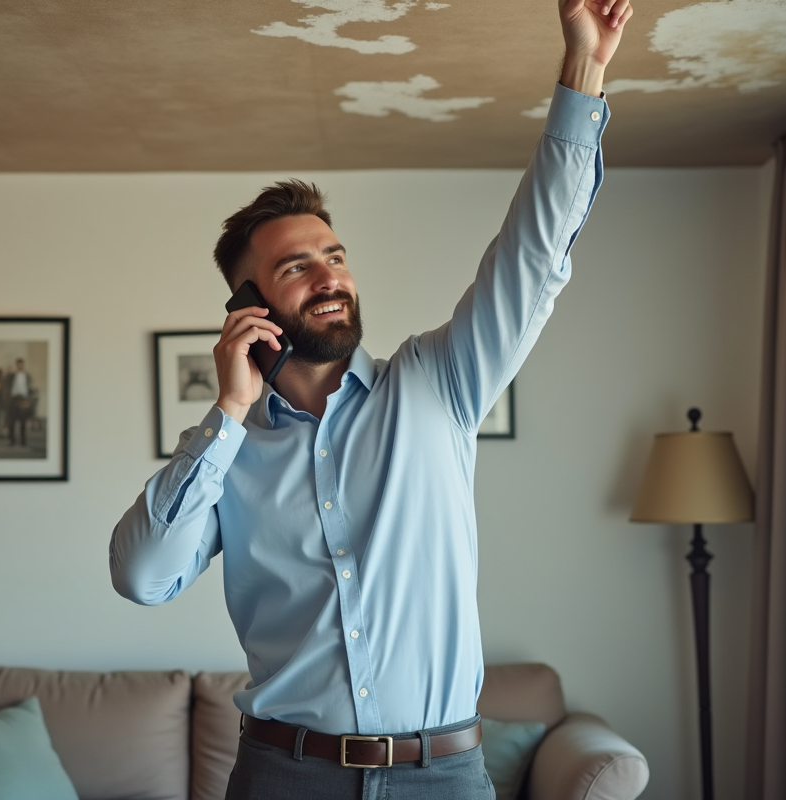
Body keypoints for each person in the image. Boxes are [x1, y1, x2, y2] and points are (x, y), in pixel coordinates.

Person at [110, 2, 633, 797]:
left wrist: (585, 68)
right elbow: (143, 576)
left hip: (444, 775)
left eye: (336, 256)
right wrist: (225, 414)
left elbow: (535, 254)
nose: (330, 277)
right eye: (296, 268)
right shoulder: (230, 453)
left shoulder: (437, 381)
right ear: (248, 306)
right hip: (283, 774)